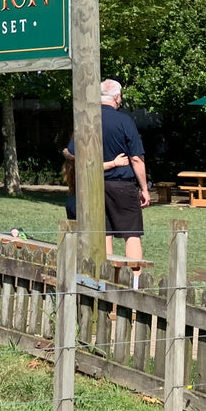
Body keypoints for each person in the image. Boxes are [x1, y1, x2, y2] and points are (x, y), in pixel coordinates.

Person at [61, 79, 150, 270]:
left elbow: (71, 152)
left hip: (95, 185)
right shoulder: (124, 121)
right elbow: (136, 159)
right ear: (116, 97)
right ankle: (135, 280)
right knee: (131, 233)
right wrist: (144, 188)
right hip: (122, 185)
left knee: (104, 233)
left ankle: (107, 277)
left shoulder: (88, 120)